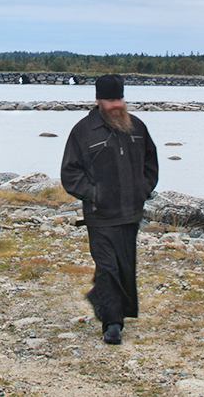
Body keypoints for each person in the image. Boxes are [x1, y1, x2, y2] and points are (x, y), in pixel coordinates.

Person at [61, 74, 159, 345]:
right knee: (107, 267)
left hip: (130, 211)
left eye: (119, 99)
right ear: (98, 100)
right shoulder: (83, 131)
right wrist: (94, 194)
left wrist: (143, 189)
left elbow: (151, 163)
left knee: (124, 267)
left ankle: (102, 301)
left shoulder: (137, 127)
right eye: (110, 100)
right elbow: (70, 173)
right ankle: (112, 323)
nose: (116, 105)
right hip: (100, 214)